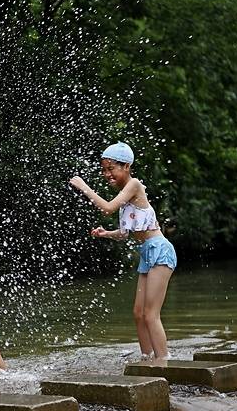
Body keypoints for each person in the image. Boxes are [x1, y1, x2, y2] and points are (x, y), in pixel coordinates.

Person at [69, 141, 177, 361]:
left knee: (150, 314)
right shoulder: (125, 196)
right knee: (139, 314)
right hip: (148, 254)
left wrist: (84, 187)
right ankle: (147, 358)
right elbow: (126, 233)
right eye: (104, 170)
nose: (107, 174)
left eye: (111, 169)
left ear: (126, 166)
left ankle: (164, 361)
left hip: (160, 251)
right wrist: (106, 233)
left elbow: (107, 208)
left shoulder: (134, 185)